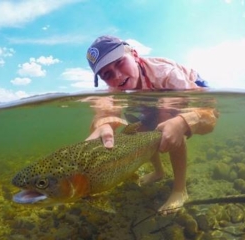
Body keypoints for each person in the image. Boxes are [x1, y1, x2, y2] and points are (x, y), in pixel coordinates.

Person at [84, 35, 218, 215]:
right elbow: (106, 107)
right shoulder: (115, 87)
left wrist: (182, 122)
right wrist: (103, 122)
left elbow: (208, 114)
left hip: (187, 88)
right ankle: (159, 172)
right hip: (150, 96)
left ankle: (180, 190)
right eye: (107, 74)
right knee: (139, 131)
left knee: (167, 123)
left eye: (120, 62)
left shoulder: (168, 74)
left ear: (135, 54)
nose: (117, 75)